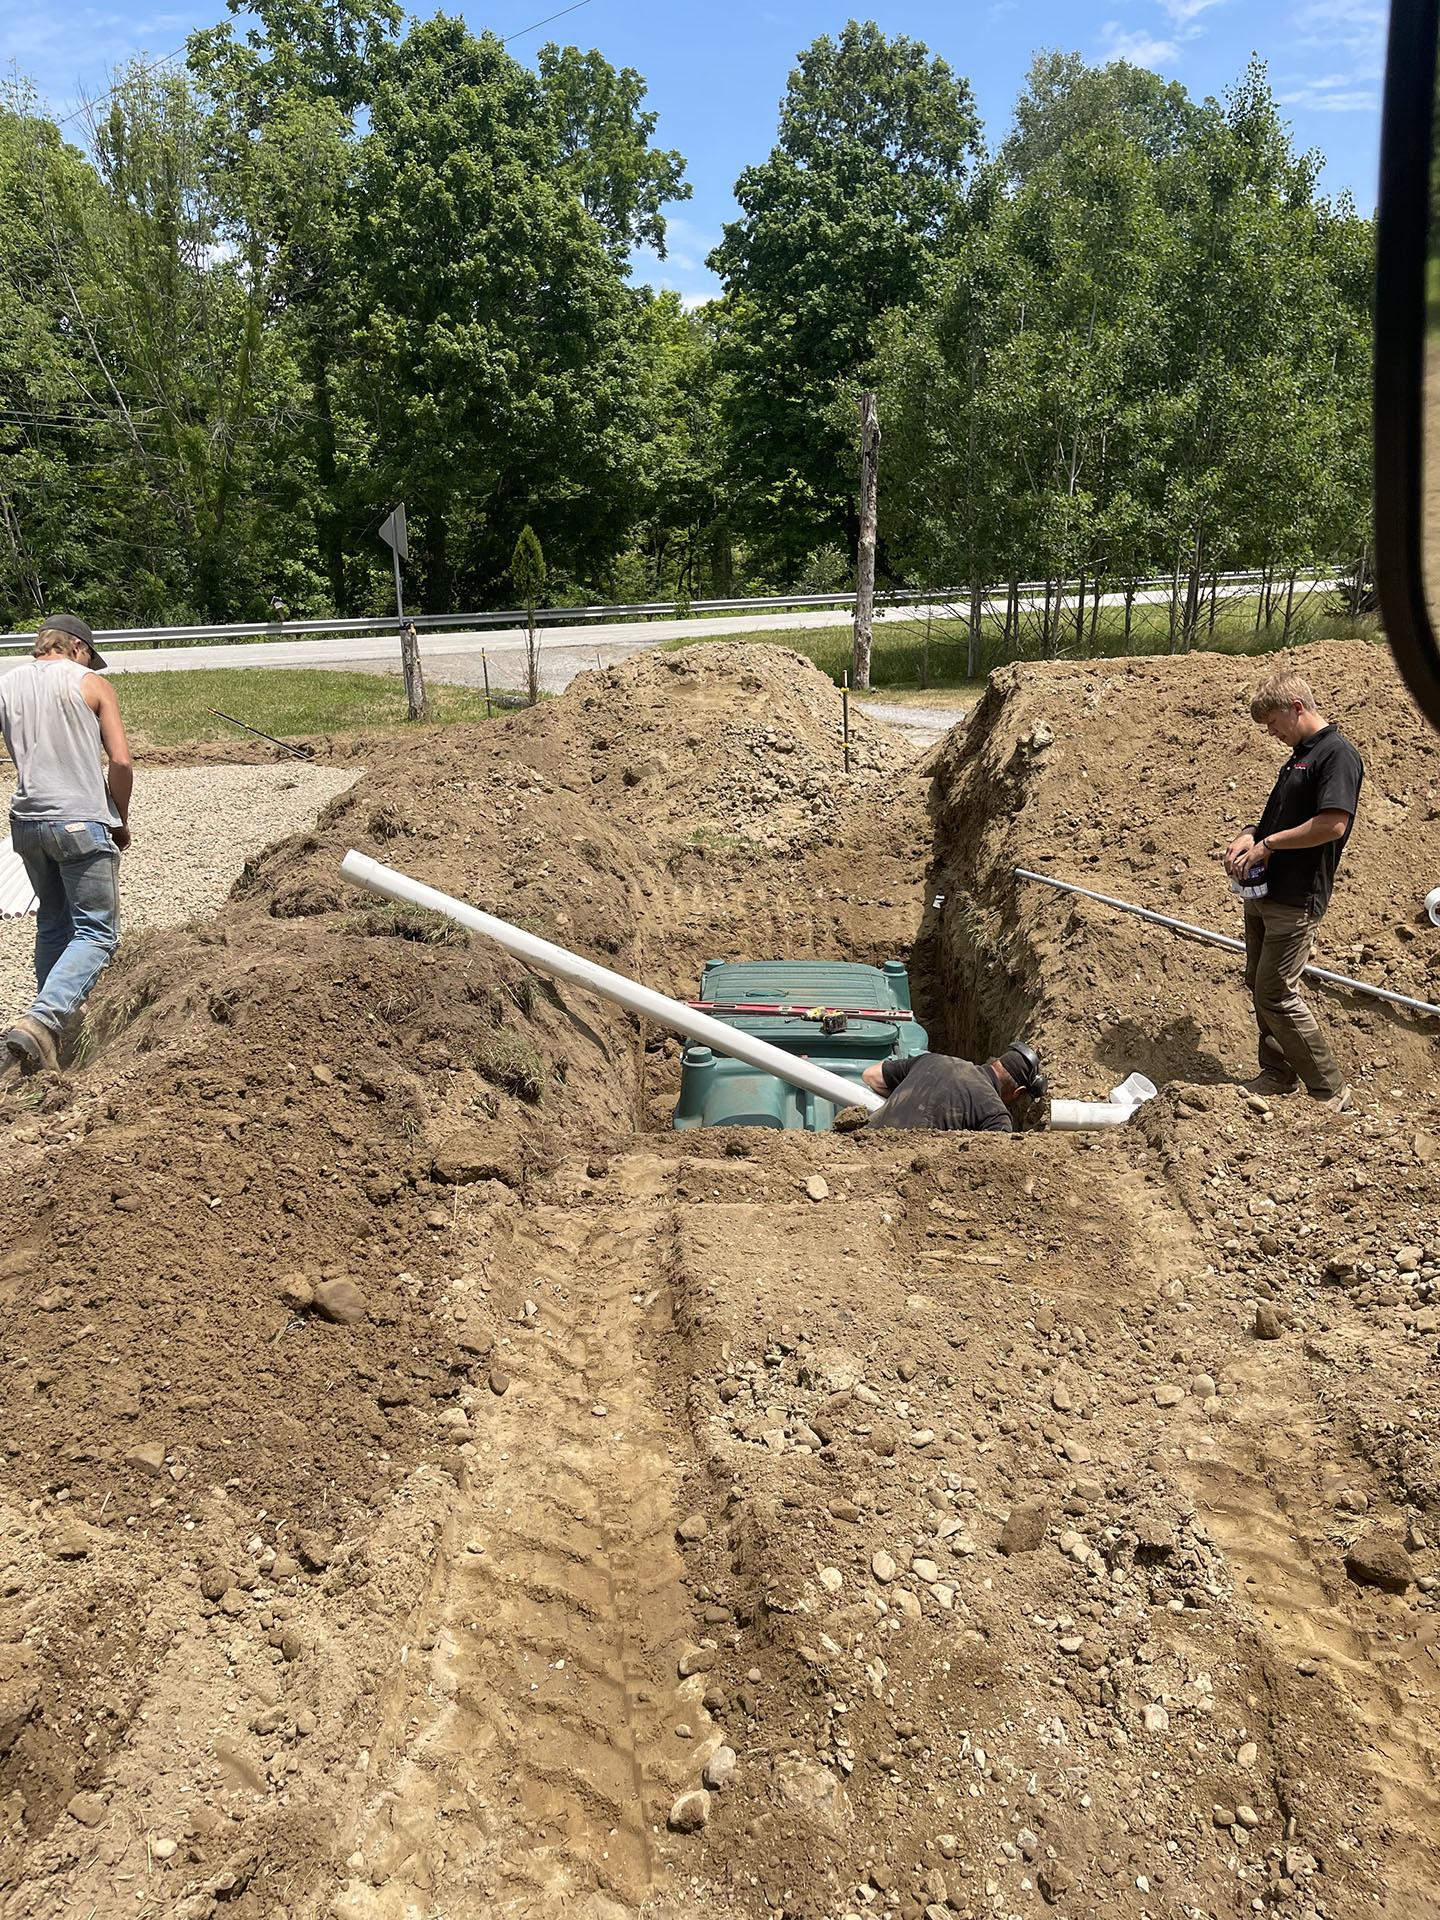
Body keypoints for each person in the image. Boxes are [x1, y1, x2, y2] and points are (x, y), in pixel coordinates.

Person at [1223, 671, 1362, 1112]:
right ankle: (1278, 1073)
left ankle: (1330, 1090)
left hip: (1297, 898)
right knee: (1256, 982)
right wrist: (1251, 834)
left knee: (1276, 993)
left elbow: (1332, 823)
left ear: (1297, 708)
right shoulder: (1300, 756)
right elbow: (1281, 819)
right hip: (1267, 893)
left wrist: (1268, 844)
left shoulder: (1336, 755)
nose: (1272, 733)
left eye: (1273, 723)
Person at [0, 615, 132, 1073]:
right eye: (89, 655)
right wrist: (121, 818)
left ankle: (48, 1039)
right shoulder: (91, 683)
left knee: (54, 923)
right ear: (77, 647)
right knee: (98, 932)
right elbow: (120, 759)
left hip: (27, 823)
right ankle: (43, 1021)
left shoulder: (6, 682)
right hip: (80, 820)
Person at [860, 1042, 1047, 1132]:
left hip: (863, 1146)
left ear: (996, 1061)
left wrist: (909, 1093)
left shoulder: (933, 1060)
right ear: (1019, 1091)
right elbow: (992, 1167)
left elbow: (870, 1075)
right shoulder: (996, 1116)